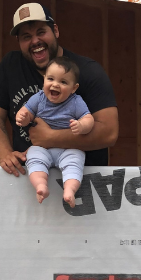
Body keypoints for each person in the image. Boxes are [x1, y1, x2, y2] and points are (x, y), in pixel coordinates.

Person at [0, 2, 118, 180]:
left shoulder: (87, 71)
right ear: (19, 42)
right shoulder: (11, 66)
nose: (35, 41)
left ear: (55, 31)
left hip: (84, 183)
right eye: (26, 36)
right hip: (29, 180)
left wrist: (51, 137)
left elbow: (109, 132)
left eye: (41, 32)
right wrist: (5, 153)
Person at [16, 57, 94, 207]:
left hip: (68, 148)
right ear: (44, 79)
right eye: (51, 79)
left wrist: (82, 126)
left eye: (63, 82)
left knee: (75, 160)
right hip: (43, 148)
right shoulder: (38, 98)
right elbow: (27, 114)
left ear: (74, 88)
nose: (55, 84)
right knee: (33, 155)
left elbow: (88, 118)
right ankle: (41, 185)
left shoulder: (76, 101)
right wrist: (22, 117)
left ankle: (70, 190)